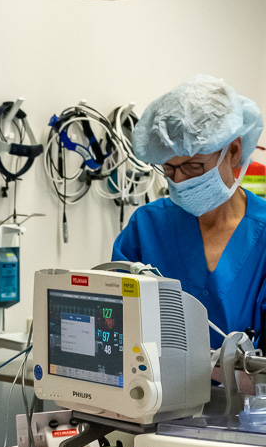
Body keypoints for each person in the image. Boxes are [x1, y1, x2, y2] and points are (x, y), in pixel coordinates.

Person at [112, 75, 266, 347]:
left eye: (194, 167)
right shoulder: (146, 227)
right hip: (156, 390)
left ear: (233, 151)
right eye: (169, 169)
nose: (180, 181)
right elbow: (115, 321)